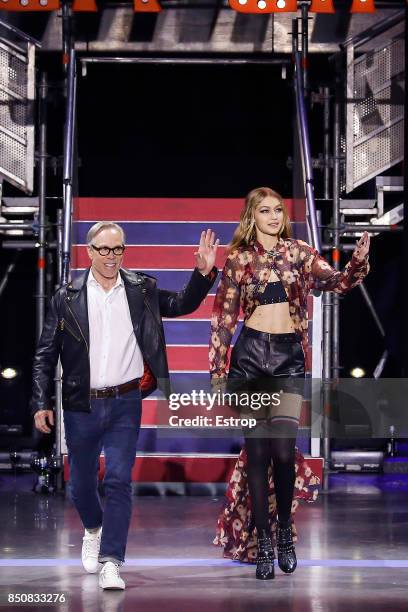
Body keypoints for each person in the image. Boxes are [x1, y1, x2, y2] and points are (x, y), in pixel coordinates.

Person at [32, 221, 219, 590]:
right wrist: (40, 401)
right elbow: (44, 353)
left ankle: (111, 561)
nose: (111, 256)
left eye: (118, 249)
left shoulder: (141, 289)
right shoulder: (65, 296)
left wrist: (202, 273)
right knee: (81, 485)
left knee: (118, 480)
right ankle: (92, 528)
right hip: (80, 403)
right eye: (104, 249)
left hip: (125, 401)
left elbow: (181, 303)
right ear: (90, 252)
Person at [210, 187, 370, 580]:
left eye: (278, 210)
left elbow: (336, 283)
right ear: (252, 216)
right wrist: (217, 371)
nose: (274, 216)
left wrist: (356, 265)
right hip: (249, 359)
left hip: (286, 359)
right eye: (265, 211)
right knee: (259, 455)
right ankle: (263, 540)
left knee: (283, 453)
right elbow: (224, 317)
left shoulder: (298, 251)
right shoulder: (240, 258)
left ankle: (284, 533)